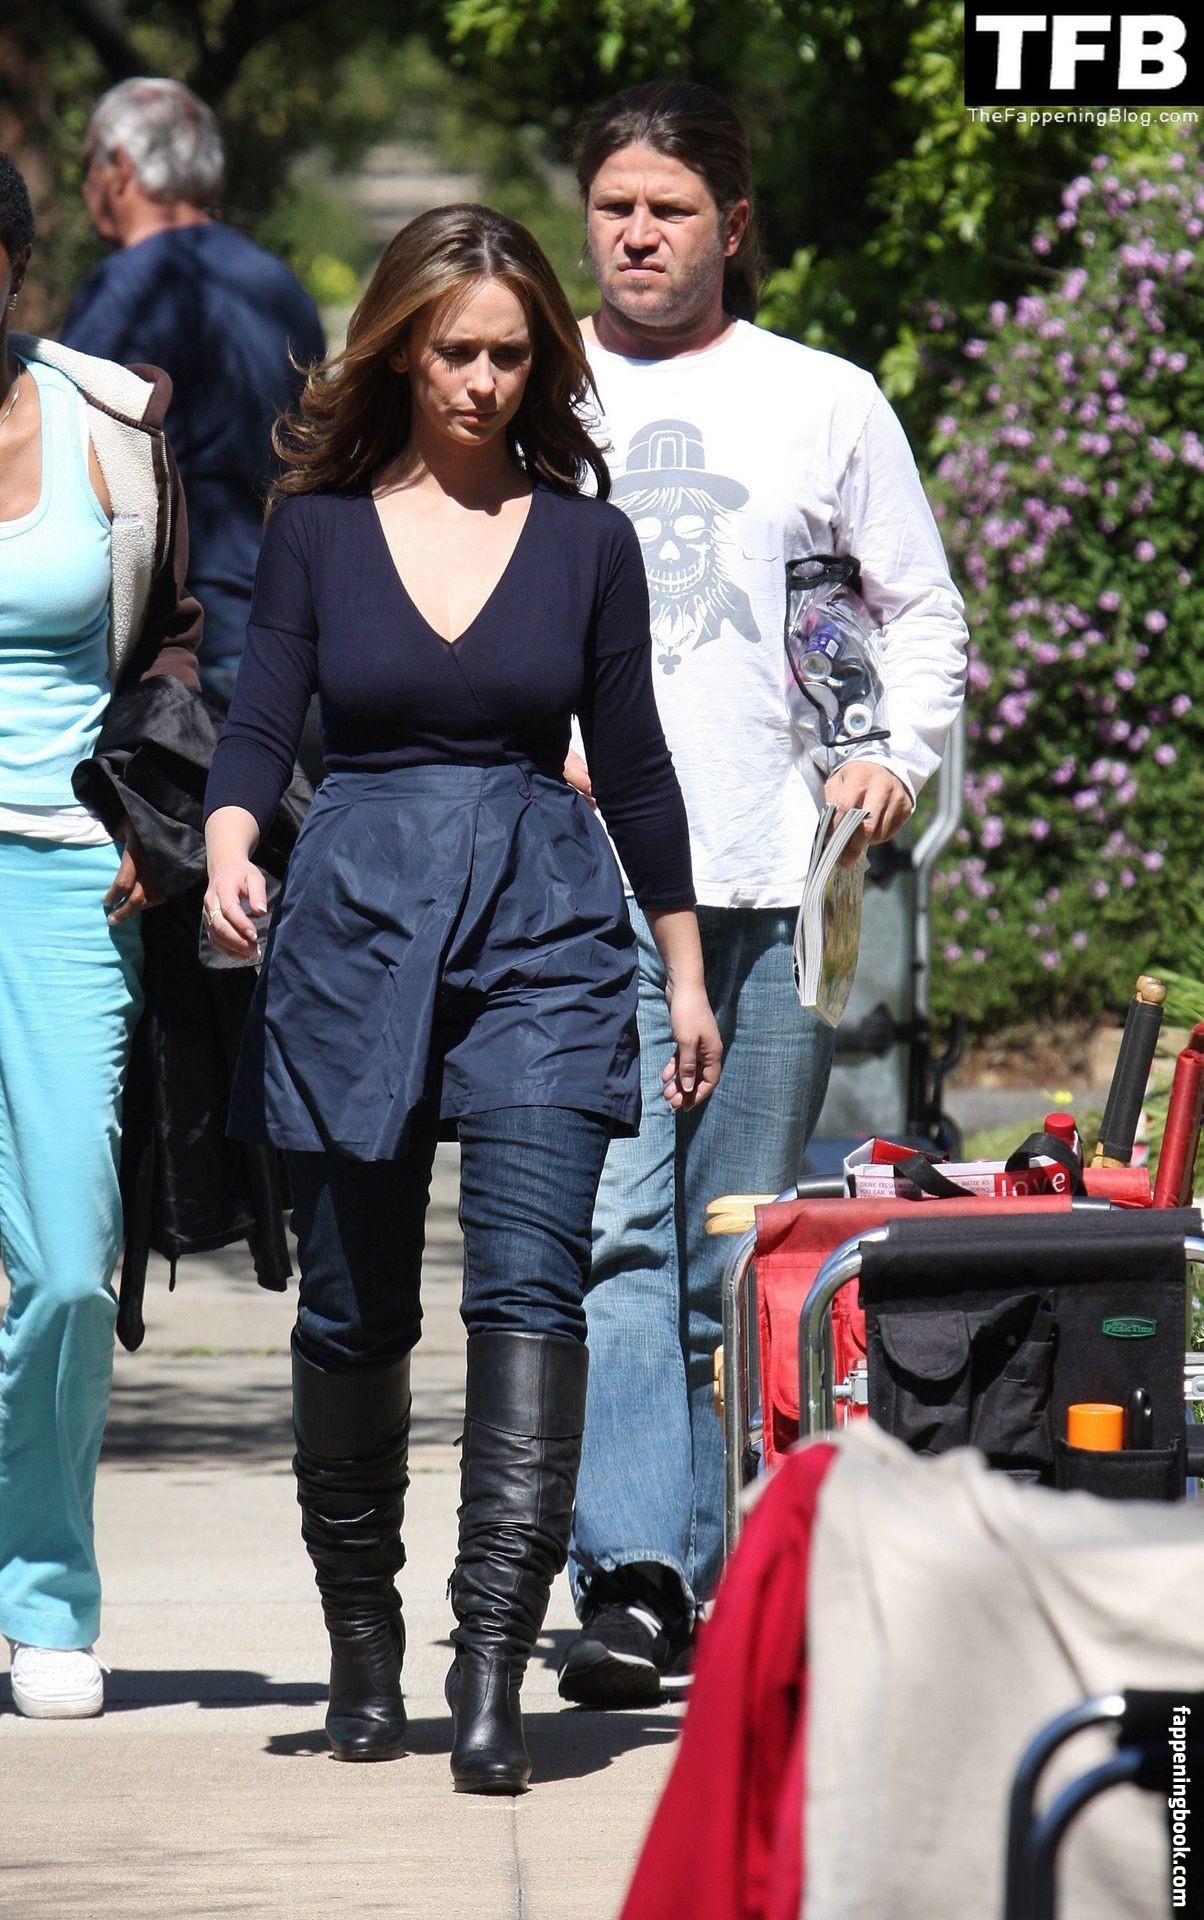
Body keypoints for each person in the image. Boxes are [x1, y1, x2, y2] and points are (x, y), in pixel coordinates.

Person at [201, 203, 722, 1795]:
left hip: (545, 928)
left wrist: (682, 969)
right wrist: (228, 839)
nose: (484, 382)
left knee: (533, 1293)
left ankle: (490, 1660)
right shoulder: (318, 530)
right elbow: (262, 716)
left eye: (509, 356)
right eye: (456, 354)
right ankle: (364, 1642)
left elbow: (635, 766)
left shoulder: (587, 542)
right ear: (400, 353)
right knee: (354, 1309)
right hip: (354, 922)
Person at [557, 81, 969, 1707]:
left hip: (782, 889)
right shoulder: (537, 387)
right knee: (613, 1235)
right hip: (589, 889)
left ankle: (718, 1565)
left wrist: (896, 760)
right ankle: (632, 1576)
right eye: (612, 207)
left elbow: (919, 611)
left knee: (734, 1251)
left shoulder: (823, 401)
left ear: (729, 223)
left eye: (667, 208)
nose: (636, 233)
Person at [0, 151, 201, 1717]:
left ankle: (46, 1592)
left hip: (71, 876)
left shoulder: (107, 425)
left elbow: (177, 640)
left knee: (68, 1267)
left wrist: (157, 815)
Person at [60, 77, 324, 709]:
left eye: (89, 164)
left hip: (177, 648)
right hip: (281, 632)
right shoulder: (279, 287)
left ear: (121, 169)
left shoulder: (125, 292)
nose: (85, 185)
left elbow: (70, 462)